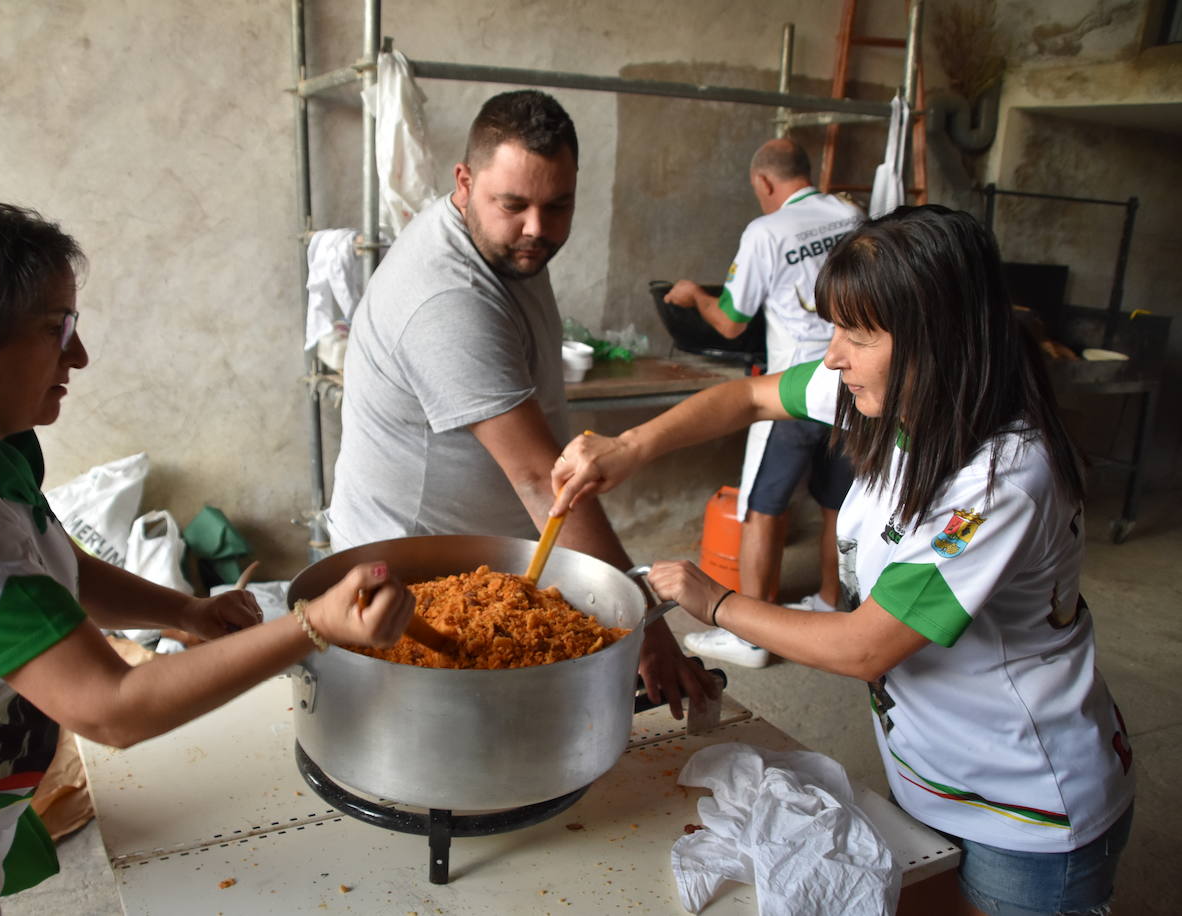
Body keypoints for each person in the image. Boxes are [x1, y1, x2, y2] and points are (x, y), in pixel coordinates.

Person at [0, 200, 415, 914]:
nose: (79, 354)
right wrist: (311, 627)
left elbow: (51, 559)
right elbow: (109, 708)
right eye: (54, 329)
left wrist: (185, 608)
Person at [551, 205, 1134, 916]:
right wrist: (628, 447)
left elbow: (868, 646)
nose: (833, 355)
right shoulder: (888, 396)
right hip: (932, 771)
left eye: (857, 334)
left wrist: (718, 603)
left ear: (940, 341)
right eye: (834, 328)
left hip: (1023, 807)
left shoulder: (1004, 477)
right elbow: (748, 396)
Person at [326, 89, 713, 715]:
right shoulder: (446, 301)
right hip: (413, 574)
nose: (537, 228)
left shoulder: (511, 244)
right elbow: (539, 478)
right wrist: (647, 632)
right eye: (514, 205)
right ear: (464, 180)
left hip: (488, 556)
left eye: (558, 206)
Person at [663, 138, 864, 668]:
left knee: (760, 508)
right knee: (837, 504)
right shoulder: (851, 214)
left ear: (764, 183)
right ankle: (829, 603)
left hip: (793, 390)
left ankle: (751, 637)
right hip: (855, 385)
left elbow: (731, 321)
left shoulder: (766, 231)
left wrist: (695, 295)